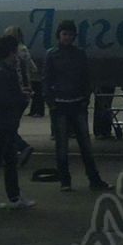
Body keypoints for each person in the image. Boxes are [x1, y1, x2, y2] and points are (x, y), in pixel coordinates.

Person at [43, 21, 106, 192]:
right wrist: (51, 102)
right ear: (59, 35)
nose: (67, 37)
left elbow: (86, 77)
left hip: (76, 103)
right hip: (62, 104)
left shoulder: (78, 54)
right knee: (63, 145)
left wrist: (85, 98)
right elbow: (47, 80)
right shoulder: (54, 55)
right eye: (65, 34)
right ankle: (67, 180)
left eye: (70, 34)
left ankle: (91, 179)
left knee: (85, 144)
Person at [0, 35, 35, 208]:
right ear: (10, 52)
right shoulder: (4, 72)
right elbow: (5, 100)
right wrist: (23, 97)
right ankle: (9, 196)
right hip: (1, 124)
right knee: (3, 162)